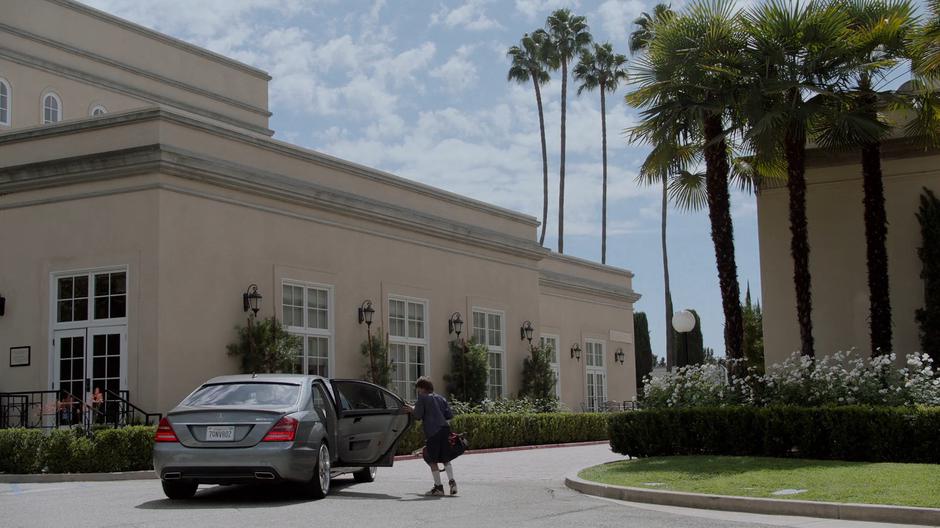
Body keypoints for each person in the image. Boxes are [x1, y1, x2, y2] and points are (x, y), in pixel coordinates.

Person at [402, 377, 457, 496]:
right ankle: (452, 483)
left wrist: (411, 409)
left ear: (422, 388)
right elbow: (449, 415)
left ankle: (438, 487)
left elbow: (418, 415)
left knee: (432, 459)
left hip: (433, 432)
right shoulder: (441, 398)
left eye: (418, 390)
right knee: (446, 458)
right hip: (445, 430)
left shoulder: (422, 398)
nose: (418, 392)